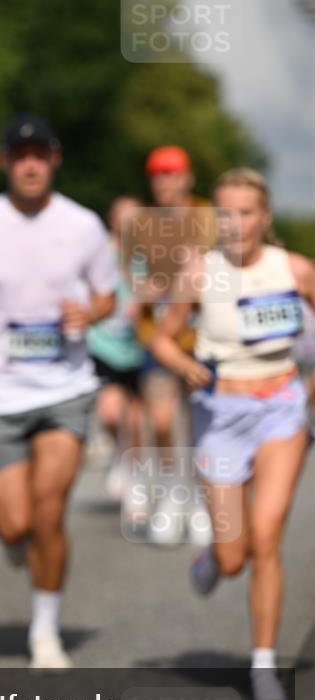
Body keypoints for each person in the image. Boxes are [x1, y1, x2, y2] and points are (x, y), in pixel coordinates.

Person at [0, 113, 116, 669]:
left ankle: (45, 631)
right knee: (14, 525)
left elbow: (109, 296)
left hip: (66, 385)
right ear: (4, 162)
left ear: (55, 159)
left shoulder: (84, 225)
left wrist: (88, 312)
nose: (31, 163)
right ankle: (14, 533)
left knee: (48, 513)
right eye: (20, 155)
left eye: (40, 153)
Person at [151, 168, 315, 700]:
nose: (236, 223)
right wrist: (183, 363)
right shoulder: (201, 273)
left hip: (281, 413)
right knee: (232, 557)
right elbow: (163, 338)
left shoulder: (293, 269)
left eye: (246, 212)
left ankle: (264, 667)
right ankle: (210, 563)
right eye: (225, 213)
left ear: (264, 217)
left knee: (266, 539)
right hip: (221, 415)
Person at [127, 146, 216, 543]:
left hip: (204, 338)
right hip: (159, 337)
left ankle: (199, 498)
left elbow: (226, 270)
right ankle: (170, 493)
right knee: (161, 421)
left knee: (200, 425)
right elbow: (131, 278)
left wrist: (198, 272)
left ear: (188, 177)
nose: (165, 181)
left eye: (172, 173)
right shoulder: (141, 224)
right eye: (157, 174)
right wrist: (146, 290)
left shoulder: (208, 218)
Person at [87, 196, 146, 501]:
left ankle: (134, 472)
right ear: (112, 221)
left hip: (138, 348)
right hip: (105, 345)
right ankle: (117, 456)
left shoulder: (150, 256)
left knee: (136, 421)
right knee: (110, 414)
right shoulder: (99, 255)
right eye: (123, 218)